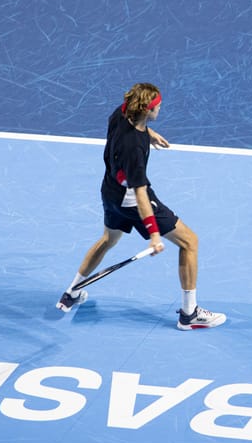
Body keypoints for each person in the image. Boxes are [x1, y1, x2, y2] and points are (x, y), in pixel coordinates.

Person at [57, 83, 226, 330]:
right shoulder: (134, 150)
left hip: (110, 193)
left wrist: (149, 133)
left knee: (108, 240)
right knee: (190, 242)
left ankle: (71, 292)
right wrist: (154, 234)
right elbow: (141, 195)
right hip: (133, 201)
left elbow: (132, 129)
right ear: (147, 110)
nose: (160, 109)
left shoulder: (120, 113)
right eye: (158, 106)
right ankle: (189, 315)